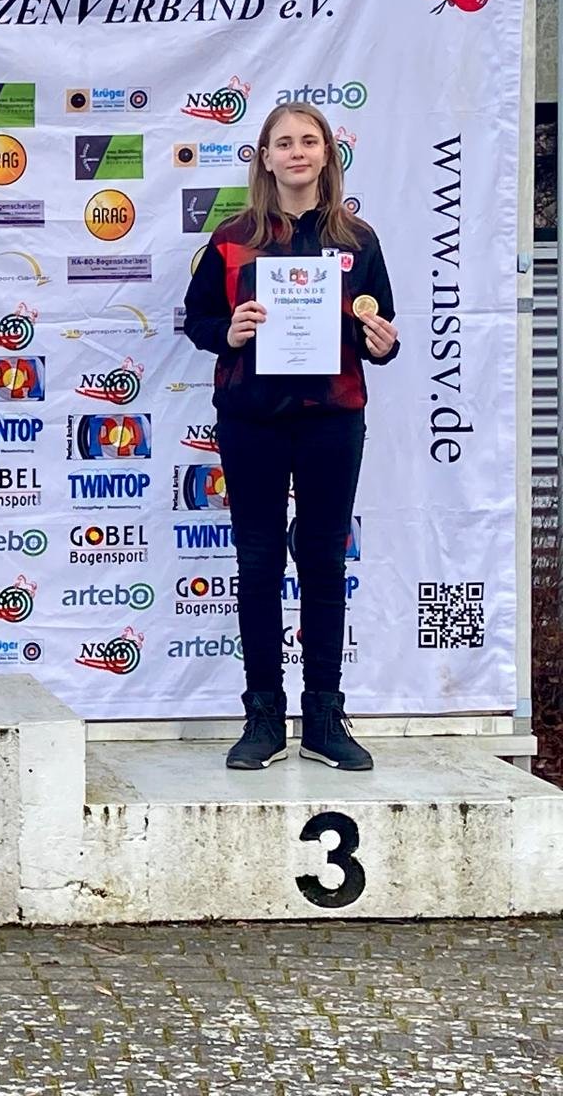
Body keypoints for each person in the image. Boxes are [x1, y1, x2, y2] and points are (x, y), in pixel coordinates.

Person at [184, 102, 399, 771]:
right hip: (251, 417)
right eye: (284, 143)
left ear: (327, 154)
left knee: (324, 560)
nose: (297, 152)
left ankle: (325, 717)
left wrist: (384, 343)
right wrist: (228, 332)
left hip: (332, 416)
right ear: (265, 158)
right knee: (256, 562)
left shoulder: (358, 240)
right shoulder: (232, 238)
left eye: (310, 141)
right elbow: (198, 320)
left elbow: (379, 326)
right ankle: (264, 718)